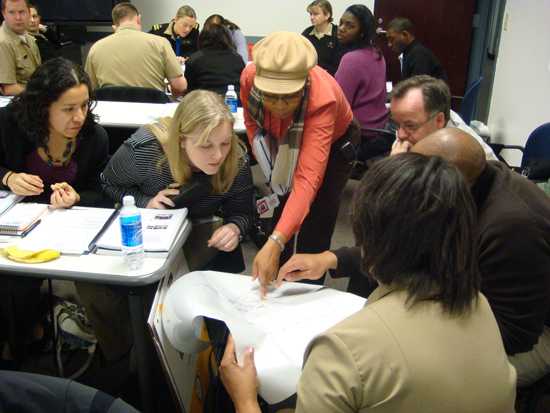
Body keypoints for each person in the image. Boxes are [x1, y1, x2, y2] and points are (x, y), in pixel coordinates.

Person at [220, 153, 516, 412]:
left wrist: (244, 400)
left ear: (369, 239)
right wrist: (330, 259)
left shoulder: (342, 350)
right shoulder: (479, 305)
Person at [78, 90, 254, 362]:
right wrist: (143, 201)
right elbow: (106, 184)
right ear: (182, 141)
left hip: (200, 237)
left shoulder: (236, 160)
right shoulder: (144, 151)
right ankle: (131, 358)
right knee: (134, 302)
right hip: (152, 239)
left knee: (217, 316)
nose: (218, 155)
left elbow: (243, 212)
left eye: (224, 143)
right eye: (206, 145)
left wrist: (234, 228)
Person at [412, 128, 550, 387]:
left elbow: (516, 335)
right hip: (484, 301)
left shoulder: (512, 226)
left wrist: (429, 331)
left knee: (426, 379)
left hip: (537, 334)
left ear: (452, 184)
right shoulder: (475, 182)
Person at [0, 57, 109, 366]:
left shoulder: (94, 138)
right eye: (68, 109)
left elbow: (102, 191)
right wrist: (8, 177)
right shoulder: (10, 123)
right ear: (43, 106)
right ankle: (20, 346)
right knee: (13, 282)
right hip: (17, 227)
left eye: (85, 105)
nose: (79, 117)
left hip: (68, 233)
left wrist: (78, 196)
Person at [240, 31, 356, 293]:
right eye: (271, 95)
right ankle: (272, 279)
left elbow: (306, 181)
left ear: (303, 83)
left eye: (289, 96)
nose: (280, 106)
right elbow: (250, 122)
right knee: (280, 200)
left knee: (316, 216)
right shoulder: (249, 78)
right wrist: (266, 155)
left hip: (335, 142)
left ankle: (303, 293)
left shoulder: (321, 98)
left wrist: (275, 241)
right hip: (282, 138)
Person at [85, 2, 186, 96]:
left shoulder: (96, 48)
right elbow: (180, 86)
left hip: (111, 112)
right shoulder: (161, 43)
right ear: (138, 19)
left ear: (114, 26)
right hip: (154, 111)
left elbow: (89, 90)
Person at [389, 75, 497, 160]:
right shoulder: (415, 125)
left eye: (410, 126)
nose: (400, 135)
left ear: (439, 120)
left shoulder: (464, 156)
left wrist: (397, 167)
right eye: (397, 125)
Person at [335, 4, 389, 162]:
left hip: (358, 135)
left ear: (362, 32)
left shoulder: (351, 59)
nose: (341, 28)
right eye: (341, 23)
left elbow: (339, 107)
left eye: (350, 26)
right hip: (379, 129)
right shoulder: (377, 53)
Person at [185, 23, 245, 96]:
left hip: (204, 103)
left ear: (202, 38)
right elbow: (243, 84)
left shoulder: (195, 59)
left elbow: (189, 89)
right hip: (233, 103)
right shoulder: (237, 58)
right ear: (227, 39)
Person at [386, 17, 447, 81]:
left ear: (405, 34)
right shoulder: (409, 52)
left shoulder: (419, 54)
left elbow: (417, 87)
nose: (389, 44)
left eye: (392, 39)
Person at [0, 0, 41, 95]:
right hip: (17, 104)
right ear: (4, 14)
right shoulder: (3, 43)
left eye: (22, 12)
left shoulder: (29, 38)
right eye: (12, 12)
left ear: (29, 13)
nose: (18, 18)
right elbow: (9, 89)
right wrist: (42, 94)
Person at [301, 0, 340, 75]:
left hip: (333, 78)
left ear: (327, 15)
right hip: (312, 76)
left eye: (316, 14)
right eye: (311, 14)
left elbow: (340, 62)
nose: (312, 17)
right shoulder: (306, 34)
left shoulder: (338, 34)